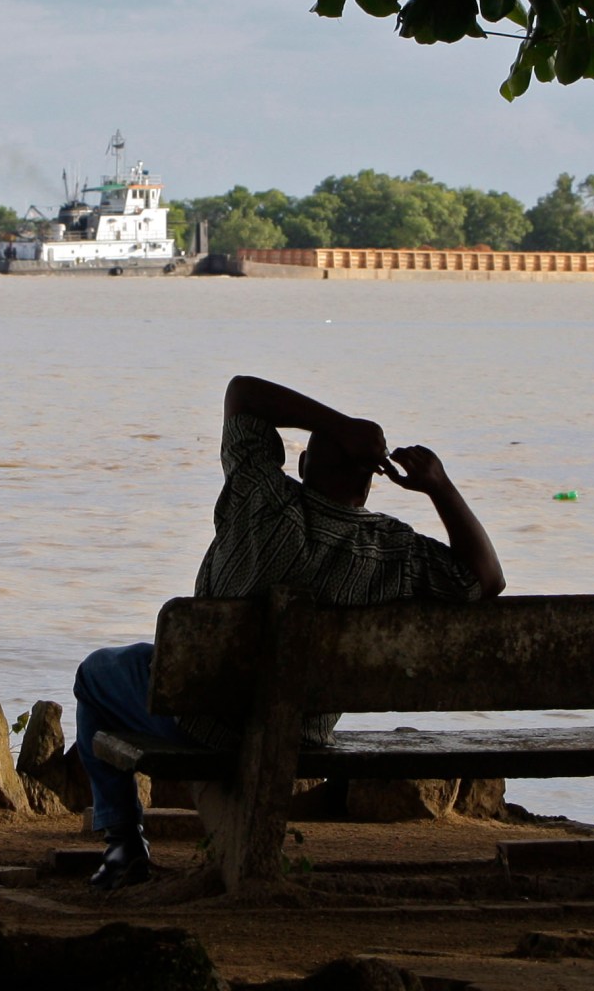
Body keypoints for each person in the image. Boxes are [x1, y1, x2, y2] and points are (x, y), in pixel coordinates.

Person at [70, 374, 506, 889]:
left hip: (205, 721)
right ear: (371, 482)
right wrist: (438, 484)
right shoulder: (393, 551)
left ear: (300, 465)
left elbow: (242, 393)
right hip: (303, 735)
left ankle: (123, 843)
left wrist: (337, 425)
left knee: (94, 676)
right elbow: (487, 579)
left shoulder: (261, 497)